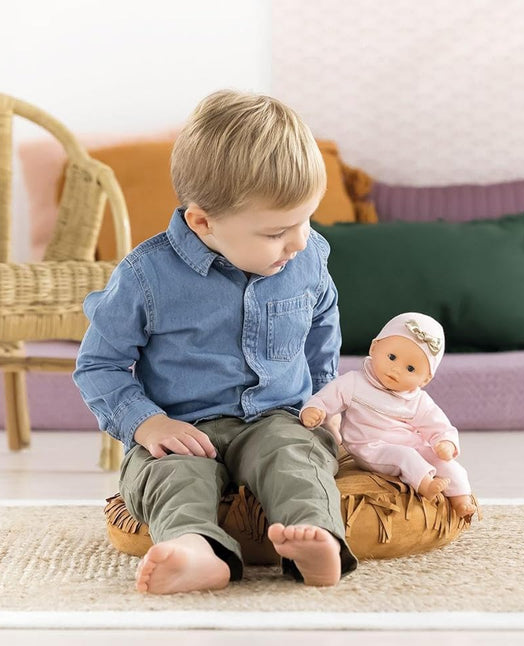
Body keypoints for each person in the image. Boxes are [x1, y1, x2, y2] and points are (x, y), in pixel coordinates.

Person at [74, 90, 357, 595]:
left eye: (306, 220)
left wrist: (323, 397)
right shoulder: (145, 276)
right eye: (277, 232)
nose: (298, 242)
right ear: (203, 222)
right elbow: (99, 364)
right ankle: (194, 550)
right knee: (172, 475)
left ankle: (320, 543)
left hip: (276, 417)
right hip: (183, 426)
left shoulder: (307, 256)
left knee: (297, 458)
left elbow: (322, 324)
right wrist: (147, 422)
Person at [300, 312, 477, 519]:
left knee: (445, 464)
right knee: (406, 456)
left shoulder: (418, 400)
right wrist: (315, 409)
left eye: (410, 368)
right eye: (391, 357)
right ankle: (426, 485)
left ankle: (461, 500)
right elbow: (327, 396)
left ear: (425, 379)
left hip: (409, 443)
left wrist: (445, 442)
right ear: (374, 348)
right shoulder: (354, 383)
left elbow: (438, 425)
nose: (396, 369)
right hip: (369, 447)